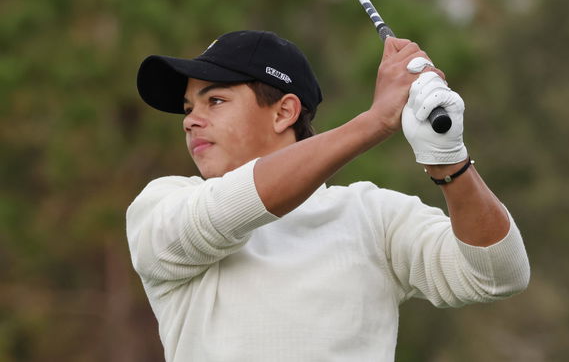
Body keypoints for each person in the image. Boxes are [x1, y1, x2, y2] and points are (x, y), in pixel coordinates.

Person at [127, 30, 530, 362]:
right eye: (187, 108)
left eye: (214, 100)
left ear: (284, 112)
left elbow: (497, 274)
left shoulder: (373, 215)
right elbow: (226, 209)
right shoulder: (162, 204)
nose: (191, 121)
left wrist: (449, 161)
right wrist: (374, 122)